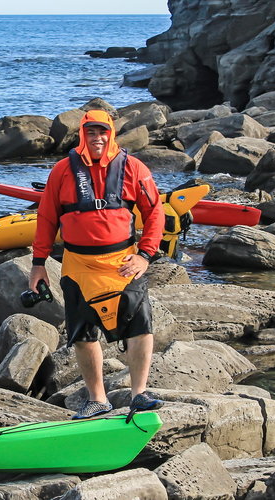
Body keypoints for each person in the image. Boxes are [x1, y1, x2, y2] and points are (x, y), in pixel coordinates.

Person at [29, 108, 166, 420]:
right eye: (90, 132)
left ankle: (139, 394)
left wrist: (145, 255)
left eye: (102, 131)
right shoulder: (62, 171)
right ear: (82, 134)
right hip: (78, 266)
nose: (97, 137)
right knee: (82, 334)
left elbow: (156, 213)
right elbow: (47, 218)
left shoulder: (134, 168)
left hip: (123, 264)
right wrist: (38, 264)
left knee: (141, 327)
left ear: (111, 133)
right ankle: (97, 400)